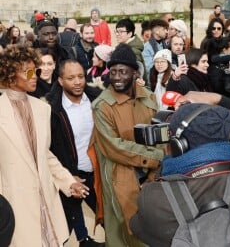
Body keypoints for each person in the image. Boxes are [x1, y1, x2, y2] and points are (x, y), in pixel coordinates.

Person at [130, 91, 230, 247]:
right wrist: (219, 99)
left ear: (179, 146)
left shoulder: (154, 198)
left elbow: (137, 228)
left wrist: (167, 166)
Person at [0, 46, 88, 246]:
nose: (35, 77)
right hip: (13, 201)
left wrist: (68, 182)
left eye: (36, 71)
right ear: (10, 74)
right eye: (28, 72)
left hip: (46, 200)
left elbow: (45, 155)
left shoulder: (43, 109)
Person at [89, 44, 164, 247]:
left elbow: (160, 136)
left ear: (134, 73)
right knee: (125, 233)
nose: (117, 77)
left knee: (152, 231)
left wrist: (155, 168)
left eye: (123, 71)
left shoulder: (148, 98)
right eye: (113, 72)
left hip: (153, 176)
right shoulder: (102, 106)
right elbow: (114, 147)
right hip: (119, 178)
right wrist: (156, 157)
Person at [46, 59, 103, 247]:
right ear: (61, 81)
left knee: (109, 219)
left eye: (80, 76)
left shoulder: (98, 100)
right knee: (63, 228)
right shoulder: (52, 109)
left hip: (98, 174)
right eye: (71, 78)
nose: (77, 82)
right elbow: (50, 148)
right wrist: (68, 177)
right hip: (70, 175)